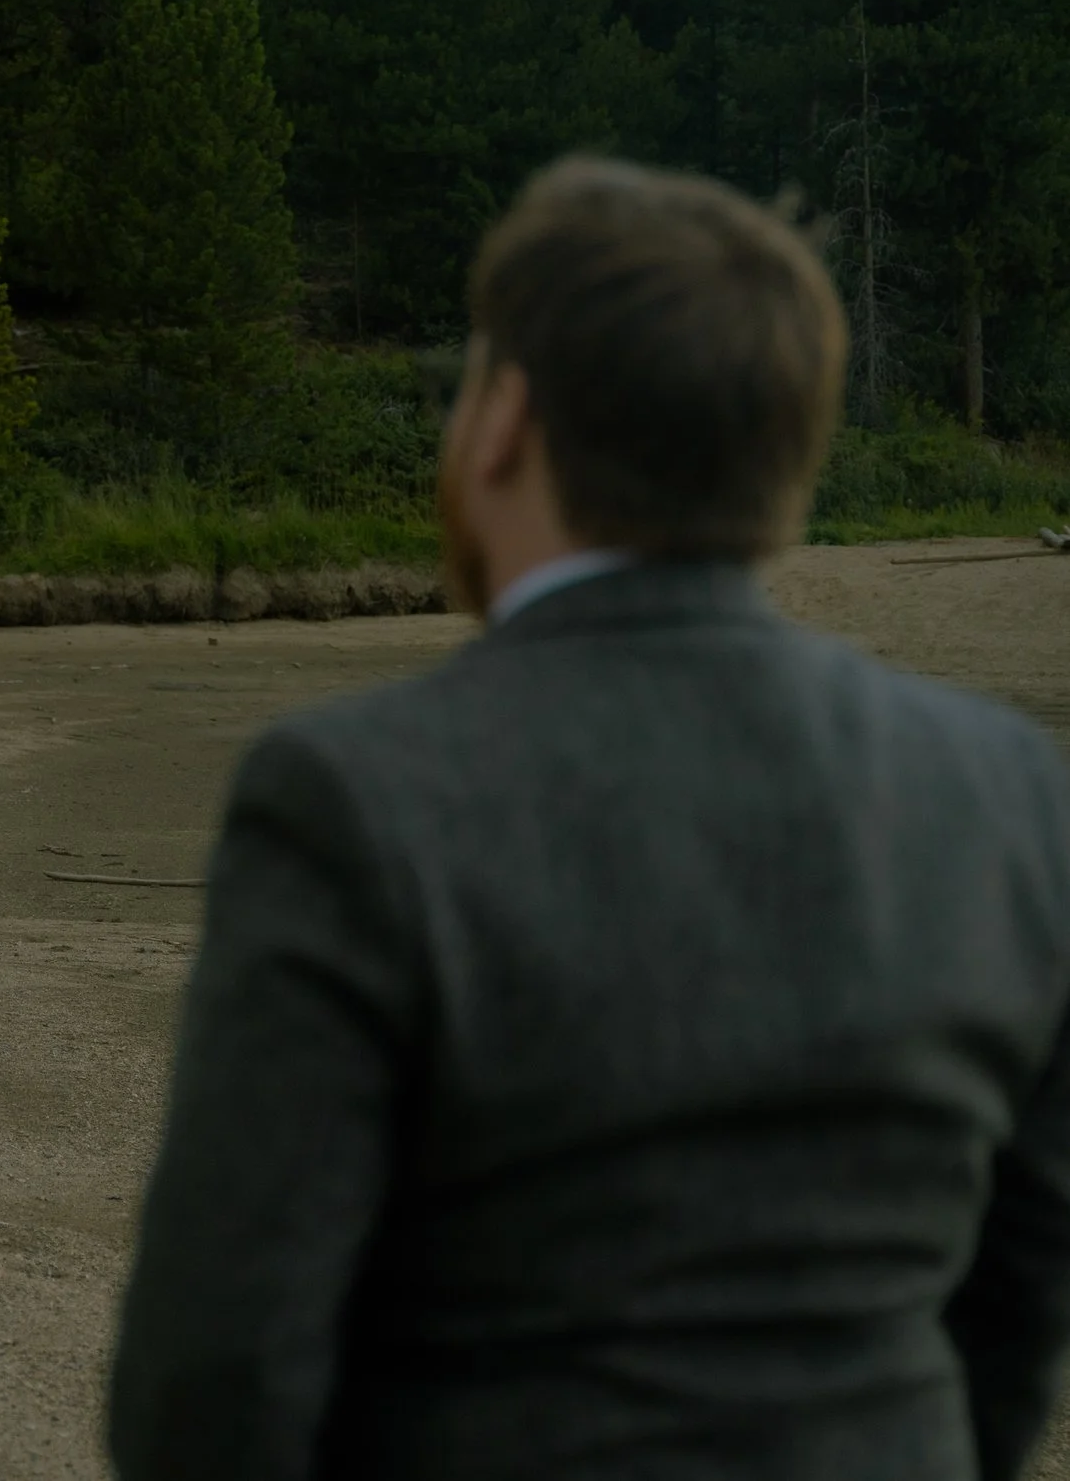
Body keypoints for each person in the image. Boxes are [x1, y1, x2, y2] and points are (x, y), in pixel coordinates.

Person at [109, 158, 1070, 1479]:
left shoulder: (354, 797)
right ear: (783, 462)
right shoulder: (1012, 795)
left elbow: (212, 1382)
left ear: (503, 420)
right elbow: (1014, 1321)